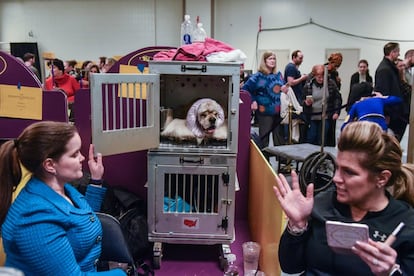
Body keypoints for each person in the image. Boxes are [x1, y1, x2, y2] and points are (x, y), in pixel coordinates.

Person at [273, 121, 414, 275]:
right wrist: (298, 226)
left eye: (349, 172)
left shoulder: (405, 226)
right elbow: (290, 267)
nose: (336, 178)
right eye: (338, 167)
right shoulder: (322, 204)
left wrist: (390, 272)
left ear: (382, 178)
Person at [0, 121, 126, 275]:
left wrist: (96, 181)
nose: (82, 157)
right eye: (74, 154)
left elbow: (82, 219)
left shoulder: (61, 188)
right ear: (50, 165)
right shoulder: (35, 218)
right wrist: (120, 274)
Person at [242, 51, 289, 149]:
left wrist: (284, 89)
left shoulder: (278, 75)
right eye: (270, 59)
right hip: (265, 112)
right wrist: (253, 100)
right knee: (264, 139)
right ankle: (263, 162)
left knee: (280, 139)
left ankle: (282, 163)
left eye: (274, 58)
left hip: (279, 112)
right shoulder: (257, 76)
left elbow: (282, 88)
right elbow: (245, 90)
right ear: (264, 61)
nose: (272, 61)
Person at [374, 42, 408, 142]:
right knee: (389, 143)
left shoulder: (391, 68)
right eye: (397, 52)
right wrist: (386, 113)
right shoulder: (384, 69)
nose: (399, 55)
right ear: (392, 52)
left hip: (396, 112)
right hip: (392, 114)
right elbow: (382, 93)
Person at [302, 64, 342, 146]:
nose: (321, 79)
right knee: (311, 137)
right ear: (314, 76)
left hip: (326, 116)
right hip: (312, 116)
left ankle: (321, 157)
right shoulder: (309, 85)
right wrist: (305, 103)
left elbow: (337, 98)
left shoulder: (331, 84)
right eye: (318, 77)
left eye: (322, 76)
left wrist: (336, 112)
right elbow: (301, 100)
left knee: (323, 139)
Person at [284, 50, 308, 142]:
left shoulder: (294, 68)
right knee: (292, 119)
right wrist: (302, 78)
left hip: (296, 96)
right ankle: (289, 139)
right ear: (294, 57)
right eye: (300, 58)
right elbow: (290, 82)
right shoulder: (291, 67)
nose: (302, 60)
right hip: (293, 98)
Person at [326, 52, 343, 146]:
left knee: (331, 132)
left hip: (332, 105)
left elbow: (337, 92)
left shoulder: (335, 73)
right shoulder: (323, 71)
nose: (336, 67)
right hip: (326, 105)